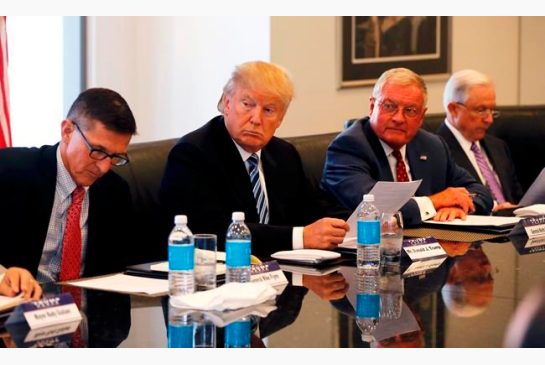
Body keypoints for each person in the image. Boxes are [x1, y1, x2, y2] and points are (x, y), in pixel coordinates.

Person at [160, 61, 349, 258]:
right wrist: (300, 237)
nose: (256, 119)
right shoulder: (193, 154)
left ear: (280, 119)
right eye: (247, 104)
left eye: (268, 110)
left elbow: (313, 208)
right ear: (227, 103)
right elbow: (210, 232)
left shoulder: (284, 154)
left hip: (279, 275)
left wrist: (355, 222)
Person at [321, 67, 493, 226]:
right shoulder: (349, 147)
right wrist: (435, 202)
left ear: (421, 116)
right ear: (372, 107)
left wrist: (458, 207)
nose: (399, 118)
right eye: (389, 106)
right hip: (366, 253)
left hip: (428, 250)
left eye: (410, 110)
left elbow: (480, 192)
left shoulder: (432, 146)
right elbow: (375, 207)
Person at [0, 88, 137, 283]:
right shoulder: (10, 172)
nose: (104, 167)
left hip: (84, 310)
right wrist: (2, 276)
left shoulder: (115, 191)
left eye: (116, 157)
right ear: (67, 131)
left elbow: (114, 277)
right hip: (19, 308)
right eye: (97, 151)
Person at [438, 69, 523, 212]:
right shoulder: (435, 151)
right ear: (453, 109)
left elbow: (517, 197)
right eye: (481, 110)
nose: (489, 120)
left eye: (492, 110)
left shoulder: (498, 146)